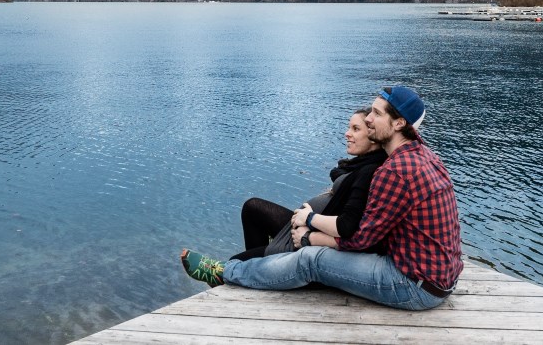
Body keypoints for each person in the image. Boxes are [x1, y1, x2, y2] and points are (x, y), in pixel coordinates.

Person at [180, 85, 462, 311]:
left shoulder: (396, 170)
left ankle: (225, 273)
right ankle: (242, 274)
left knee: (310, 261)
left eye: (376, 113)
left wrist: (308, 234)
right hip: (436, 277)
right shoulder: (422, 154)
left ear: (399, 122)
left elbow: (359, 238)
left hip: (412, 285)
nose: (368, 118)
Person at [229, 108, 387, 261]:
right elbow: (339, 174)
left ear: (373, 136)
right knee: (252, 208)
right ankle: (261, 267)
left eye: (355, 129)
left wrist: (309, 219)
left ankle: (259, 265)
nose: (347, 133)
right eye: (349, 127)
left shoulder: (368, 172)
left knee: (236, 262)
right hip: (308, 227)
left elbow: (347, 226)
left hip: (309, 237)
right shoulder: (361, 165)